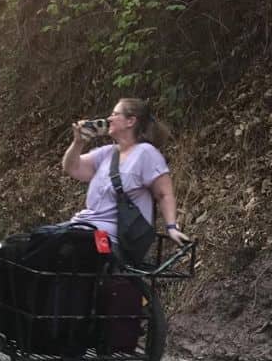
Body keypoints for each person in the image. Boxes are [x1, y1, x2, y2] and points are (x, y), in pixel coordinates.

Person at [62, 97, 189, 249]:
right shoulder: (107, 153)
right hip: (83, 228)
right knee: (40, 242)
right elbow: (72, 168)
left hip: (112, 240)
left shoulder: (145, 153)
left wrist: (171, 228)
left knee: (79, 247)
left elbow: (164, 194)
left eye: (115, 114)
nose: (109, 118)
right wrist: (78, 142)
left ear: (130, 121)